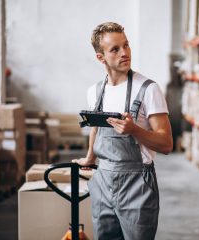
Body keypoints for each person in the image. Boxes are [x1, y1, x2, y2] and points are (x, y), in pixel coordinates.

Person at [73, 22, 173, 240]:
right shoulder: (95, 92)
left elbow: (166, 144)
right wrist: (90, 157)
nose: (125, 53)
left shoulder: (148, 89)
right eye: (115, 49)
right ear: (101, 57)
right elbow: (96, 128)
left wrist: (134, 129)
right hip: (103, 180)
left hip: (137, 183)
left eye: (126, 45)